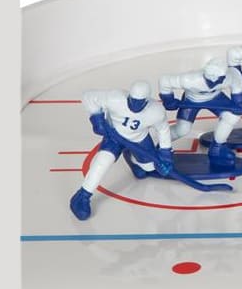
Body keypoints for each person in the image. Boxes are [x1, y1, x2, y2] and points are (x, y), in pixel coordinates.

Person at [69, 81, 173, 220]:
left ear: (146, 101)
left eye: (140, 102)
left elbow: (163, 130)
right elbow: (88, 97)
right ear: (129, 96)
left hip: (139, 139)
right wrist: (96, 118)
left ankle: (132, 159)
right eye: (133, 100)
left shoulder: (156, 111)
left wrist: (165, 154)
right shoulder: (115, 98)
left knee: (149, 168)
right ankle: (82, 196)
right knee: (102, 162)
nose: (135, 105)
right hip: (114, 138)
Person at [158, 59, 242, 168]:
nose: (214, 80)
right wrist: (169, 100)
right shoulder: (189, 79)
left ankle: (218, 148)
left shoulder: (230, 76)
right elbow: (165, 81)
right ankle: (162, 146)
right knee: (182, 130)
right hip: (192, 100)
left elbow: (237, 84)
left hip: (216, 98)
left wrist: (239, 102)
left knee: (231, 116)